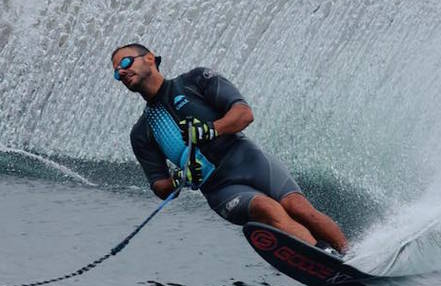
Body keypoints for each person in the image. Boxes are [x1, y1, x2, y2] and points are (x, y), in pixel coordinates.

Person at [111, 43, 348, 253]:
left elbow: (244, 114)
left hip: (249, 160)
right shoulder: (142, 132)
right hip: (220, 188)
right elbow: (160, 187)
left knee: (298, 207)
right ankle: (324, 258)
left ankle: (351, 256)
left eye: (125, 62)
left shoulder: (195, 80)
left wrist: (211, 129)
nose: (120, 71)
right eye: (116, 71)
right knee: (266, 207)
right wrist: (180, 178)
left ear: (150, 58)